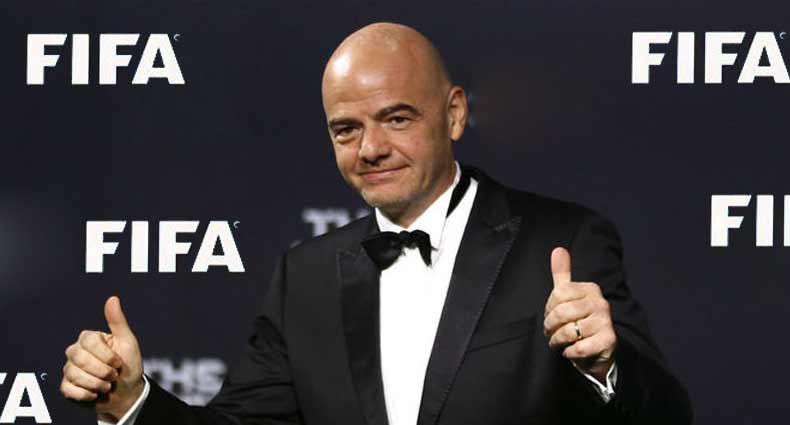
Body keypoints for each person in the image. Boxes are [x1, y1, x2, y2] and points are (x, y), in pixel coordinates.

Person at [60, 22, 692, 424]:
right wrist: (133, 401)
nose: (370, 149)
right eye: (346, 129)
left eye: (396, 118)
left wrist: (605, 367)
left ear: (454, 114)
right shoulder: (303, 278)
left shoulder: (563, 243)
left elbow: (666, 414)